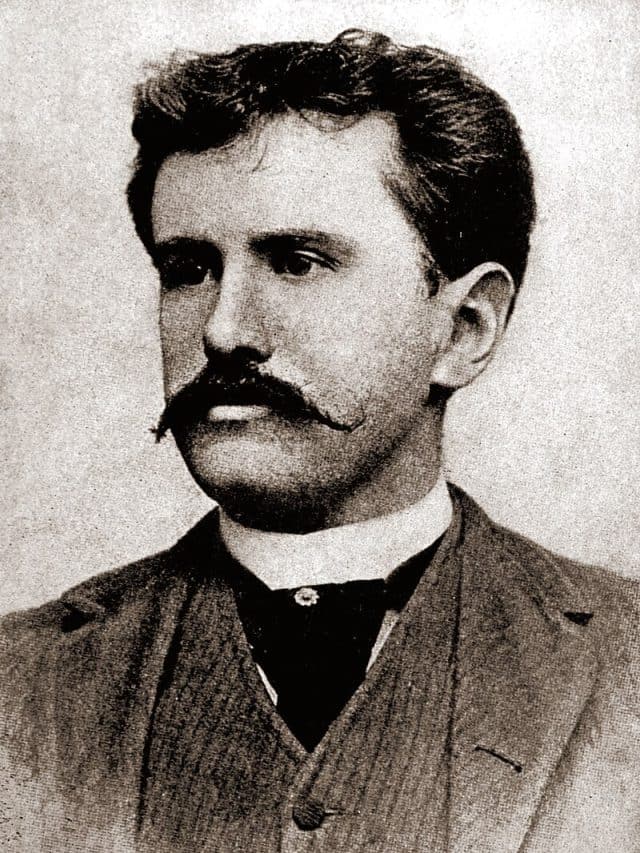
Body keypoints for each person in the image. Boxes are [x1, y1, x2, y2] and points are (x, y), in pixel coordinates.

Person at [1, 29, 638, 853]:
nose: (223, 330)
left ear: (464, 329)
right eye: (188, 270)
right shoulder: (19, 683)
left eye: (297, 262)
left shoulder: (626, 660)